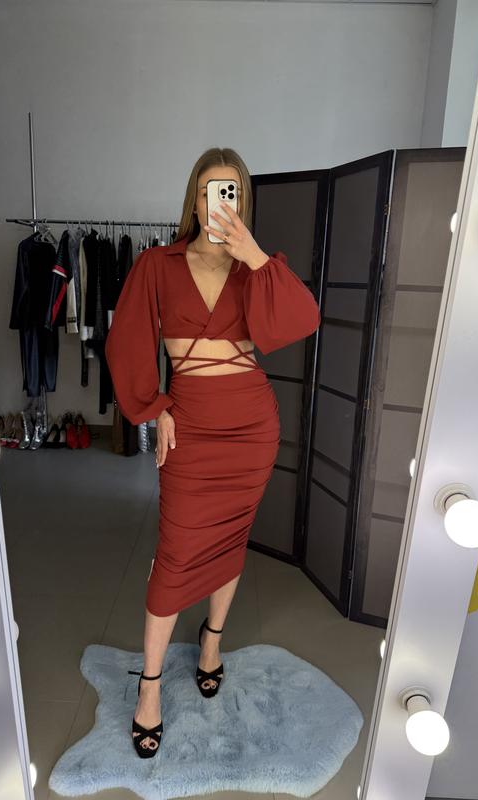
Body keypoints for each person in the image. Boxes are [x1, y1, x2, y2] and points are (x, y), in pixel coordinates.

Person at [105, 147, 321, 757]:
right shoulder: (157, 263)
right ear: (194, 199)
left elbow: (303, 320)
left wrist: (255, 256)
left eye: (231, 191)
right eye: (209, 190)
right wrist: (155, 406)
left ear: (243, 200)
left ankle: (212, 641)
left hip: (251, 426)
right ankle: (150, 686)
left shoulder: (260, 269)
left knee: (231, 540)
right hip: (193, 426)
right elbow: (126, 342)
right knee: (175, 553)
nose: (218, 201)